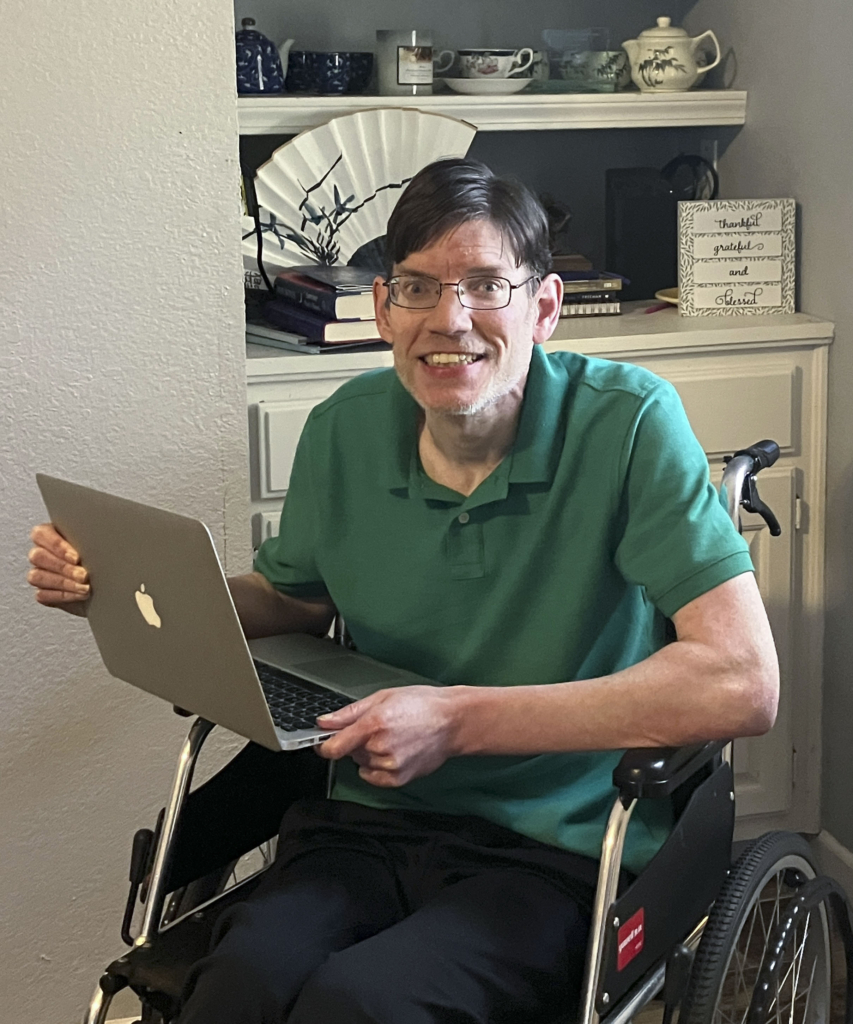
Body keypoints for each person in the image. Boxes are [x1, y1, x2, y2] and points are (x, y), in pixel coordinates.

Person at [28, 158, 779, 1024]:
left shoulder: (627, 423)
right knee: (235, 990)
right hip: (365, 825)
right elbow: (296, 603)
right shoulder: (343, 430)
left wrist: (456, 720)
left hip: (559, 845)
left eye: (485, 285)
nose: (448, 319)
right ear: (383, 308)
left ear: (542, 308)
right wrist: (127, 588)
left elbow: (740, 682)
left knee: (360, 1006)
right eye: (418, 287)